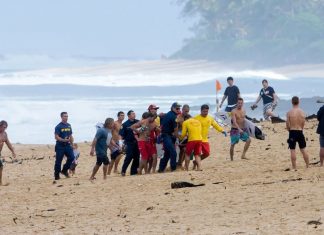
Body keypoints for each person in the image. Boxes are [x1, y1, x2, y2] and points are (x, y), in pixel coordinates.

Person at [286, 96, 309, 170]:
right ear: (298, 102)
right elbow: (303, 123)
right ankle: (307, 165)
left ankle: (294, 167)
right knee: (303, 149)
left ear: (292, 102)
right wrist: (301, 129)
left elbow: (287, 124)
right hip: (300, 131)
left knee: (292, 150)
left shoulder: (289, 112)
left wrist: (289, 130)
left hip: (292, 132)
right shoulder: (302, 112)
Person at [158, 102, 181, 173]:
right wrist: (178, 137)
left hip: (167, 135)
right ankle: (173, 169)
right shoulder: (174, 116)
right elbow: (176, 129)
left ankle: (161, 169)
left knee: (167, 153)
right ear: (173, 108)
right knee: (173, 152)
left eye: (179, 108)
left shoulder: (169, 113)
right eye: (177, 108)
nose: (178, 109)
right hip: (166, 136)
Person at [54, 112, 74, 180]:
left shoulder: (69, 125)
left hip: (67, 145)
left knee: (72, 157)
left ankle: (64, 171)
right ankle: (56, 175)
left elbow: (70, 136)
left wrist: (72, 144)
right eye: (65, 116)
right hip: (60, 146)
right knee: (58, 161)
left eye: (67, 116)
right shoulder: (58, 126)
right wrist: (63, 140)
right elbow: (56, 137)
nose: (66, 117)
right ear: (61, 117)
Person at [120, 110, 140, 176]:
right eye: (132, 114)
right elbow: (121, 135)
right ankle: (123, 171)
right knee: (129, 157)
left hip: (137, 142)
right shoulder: (125, 124)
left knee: (137, 157)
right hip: (129, 143)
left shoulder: (138, 122)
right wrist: (122, 144)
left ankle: (133, 172)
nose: (134, 115)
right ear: (128, 116)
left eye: (134, 114)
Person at [0, 120, 16, 186]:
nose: (4, 128)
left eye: (5, 127)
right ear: (0, 125)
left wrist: (13, 151)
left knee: (0, 166)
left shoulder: (4, 134)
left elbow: (8, 144)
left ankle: (0, 182)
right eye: (3, 127)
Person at [176, 104, 191, 169]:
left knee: (186, 150)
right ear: (182, 110)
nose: (186, 113)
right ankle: (179, 163)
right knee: (181, 151)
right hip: (180, 136)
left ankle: (181, 164)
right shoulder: (178, 117)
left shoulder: (189, 117)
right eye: (185, 111)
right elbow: (175, 127)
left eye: (187, 111)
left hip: (187, 136)